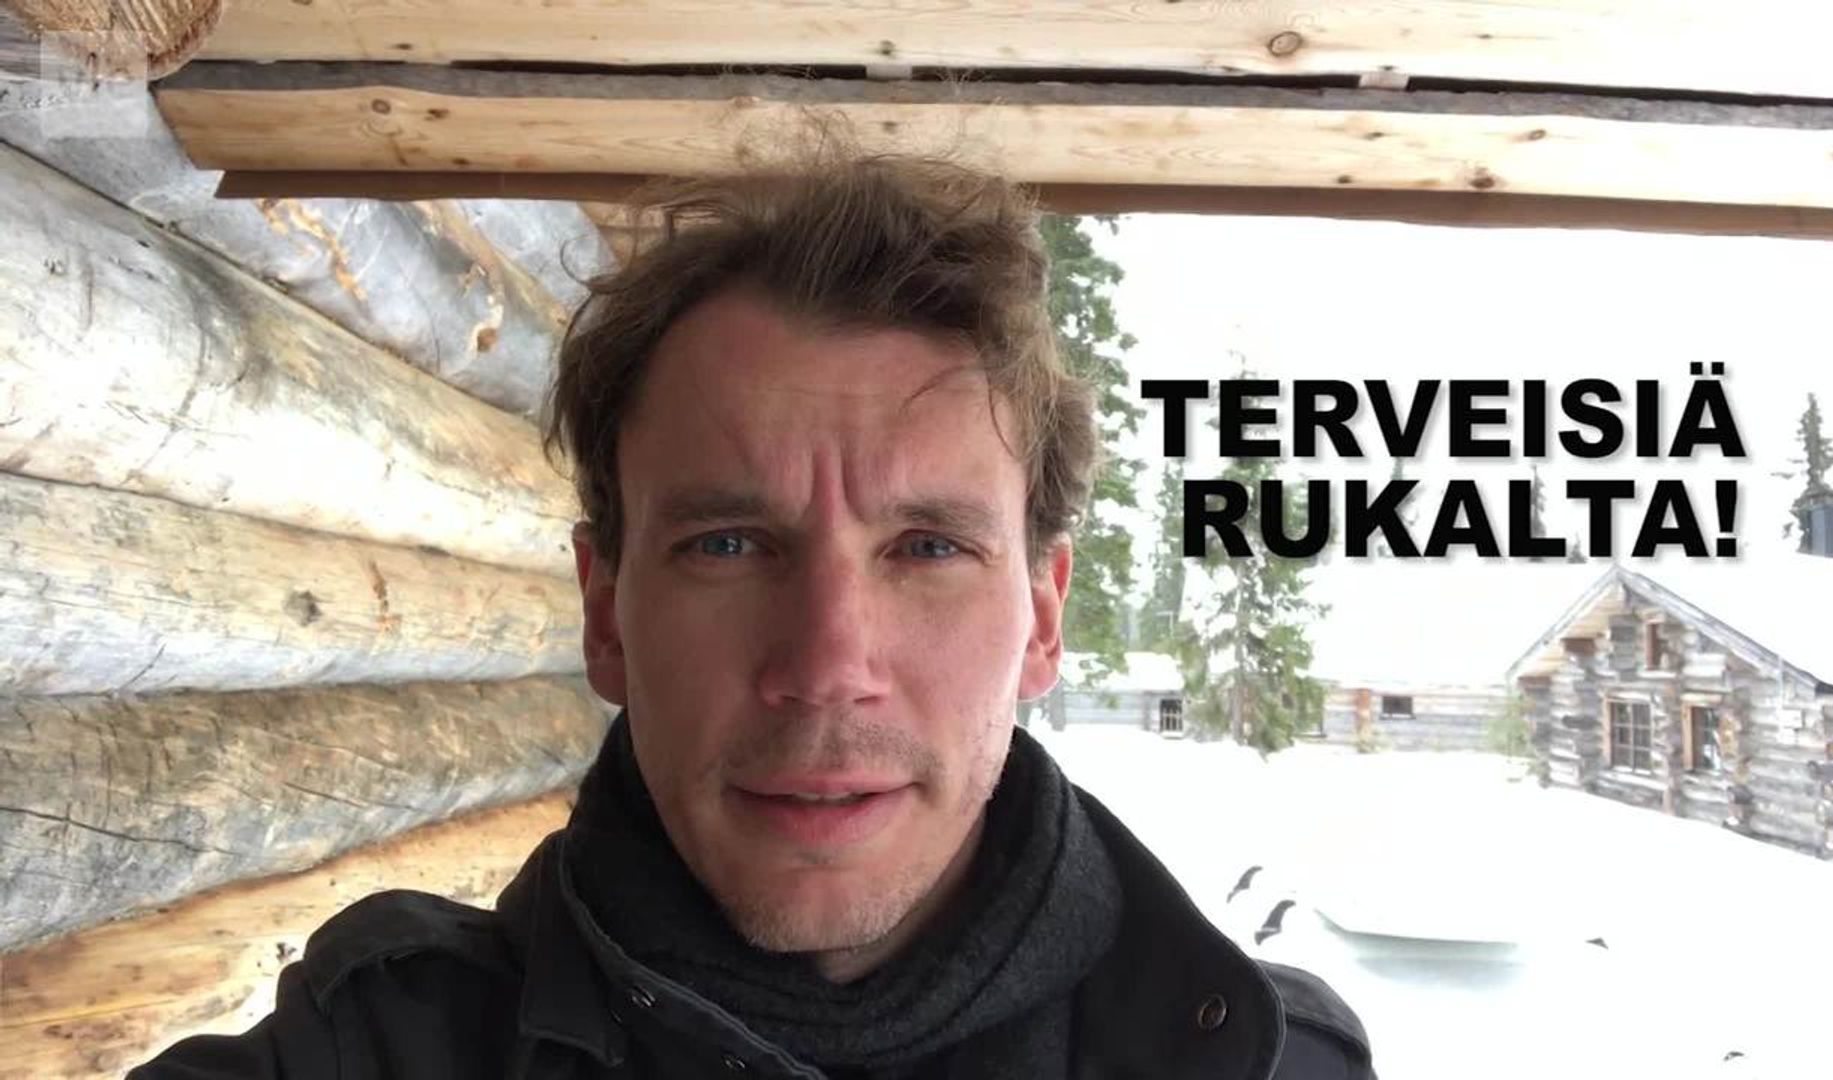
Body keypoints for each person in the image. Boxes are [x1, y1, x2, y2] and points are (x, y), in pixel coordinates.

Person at [131, 150, 1372, 1079]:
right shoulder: (379, 1049)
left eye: (928, 547)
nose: (827, 664)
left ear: (1042, 621)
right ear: (607, 615)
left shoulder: (1279, 1064)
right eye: (727, 544)